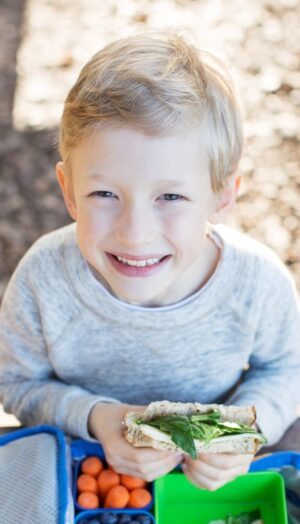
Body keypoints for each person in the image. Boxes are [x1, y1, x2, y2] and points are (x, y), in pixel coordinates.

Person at [0, 32, 300, 491]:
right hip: (83, 482)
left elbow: (288, 370)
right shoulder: (44, 281)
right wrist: (97, 417)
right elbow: (17, 383)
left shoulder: (257, 284)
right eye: (104, 193)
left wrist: (245, 435)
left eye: (170, 196)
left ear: (222, 197)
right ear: (68, 189)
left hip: (213, 486)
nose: (134, 233)